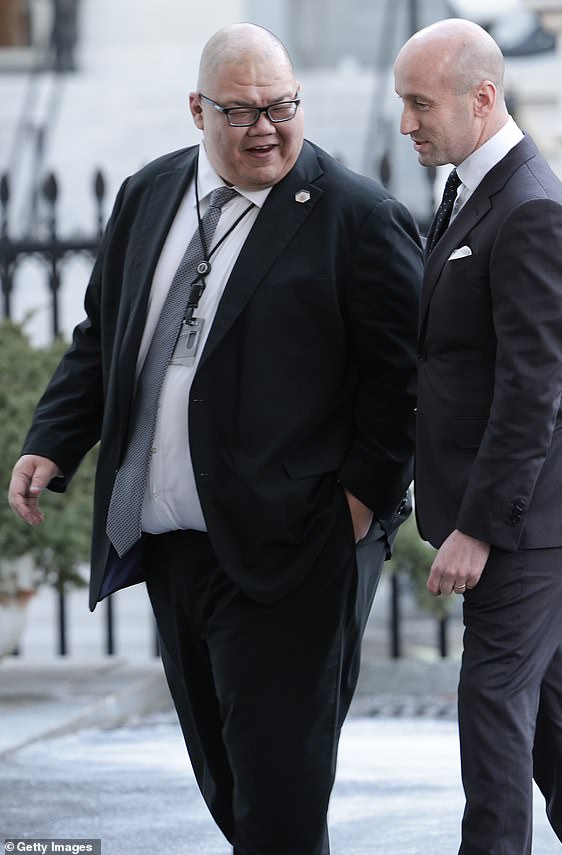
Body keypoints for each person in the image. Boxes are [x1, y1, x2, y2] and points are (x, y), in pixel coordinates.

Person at [8, 23, 423, 855]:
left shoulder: (358, 215)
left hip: (297, 547)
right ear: (197, 108)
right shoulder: (147, 194)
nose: (266, 128)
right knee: (227, 781)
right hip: (174, 547)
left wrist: (354, 507)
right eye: (242, 112)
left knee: (279, 791)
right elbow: (102, 335)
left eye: (282, 107)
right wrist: (53, 440)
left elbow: (407, 379)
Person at [394, 18, 562, 855]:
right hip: (526, 505)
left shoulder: (531, 208)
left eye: (421, 104)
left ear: (482, 98)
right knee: (557, 722)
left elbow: (533, 390)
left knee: (493, 703)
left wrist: (480, 526)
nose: (407, 123)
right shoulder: (474, 189)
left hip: (531, 513)